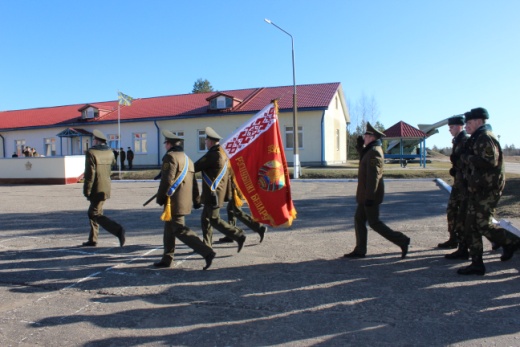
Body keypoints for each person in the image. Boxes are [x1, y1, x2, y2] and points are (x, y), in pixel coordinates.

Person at [457, 107, 520, 275]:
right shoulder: (476, 138)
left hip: (487, 189)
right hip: (477, 188)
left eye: (469, 123)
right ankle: (477, 263)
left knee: (482, 224)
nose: (466, 126)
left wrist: (466, 158)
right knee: (472, 225)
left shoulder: (485, 138)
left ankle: (511, 242)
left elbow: (489, 161)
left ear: (478, 121)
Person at [344, 122, 410, 259]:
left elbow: (374, 177)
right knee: (359, 219)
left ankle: (402, 240)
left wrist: (369, 197)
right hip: (365, 194)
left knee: (374, 223)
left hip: (370, 195)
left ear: (372, 137)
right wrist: (359, 146)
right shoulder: (371, 149)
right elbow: (364, 157)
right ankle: (360, 249)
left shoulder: (374, 152)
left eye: (366, 135)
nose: (364, 137)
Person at [154, 130, 215, 270]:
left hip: (174, 202)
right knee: (169, 229)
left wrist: (160, 198)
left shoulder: (170, 157)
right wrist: (196, 199)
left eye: (166, 144)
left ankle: (207, 252)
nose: (165, 146)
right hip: (184, 201)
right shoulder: (188, 159)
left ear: (169, 144)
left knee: (179, 229)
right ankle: (167, 258)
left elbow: (166, 181)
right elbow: (194, 182)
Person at [194, 127, 246, 252]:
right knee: (205, 219)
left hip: (213, 193)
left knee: (214, 219)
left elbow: (195, 166)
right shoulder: (221, 153)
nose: (205, 143)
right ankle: (207, 244)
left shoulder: (213, 155)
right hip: (215, 193)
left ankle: (238, 235)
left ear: (210, 141)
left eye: (206, 140)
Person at [82, 129, 125, 247]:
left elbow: (90, 174)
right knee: (97, 211)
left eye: (94, 139)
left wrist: (87, 190)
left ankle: (118, 230)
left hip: (96, 187)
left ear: (96, 140)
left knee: (93, 213)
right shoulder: (110, 152)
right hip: (106, 186)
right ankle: (93, 239)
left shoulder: (91, 153)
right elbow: (113, 164)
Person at [439, 115, 469, 251]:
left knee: (463, 215)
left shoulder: (465, 140)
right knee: (451, 211)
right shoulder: (457, 140)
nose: (449, 130)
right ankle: (453, 239)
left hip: (465, 185)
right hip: (458, 183)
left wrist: (459, 167)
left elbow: (468, 162)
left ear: (459, 126)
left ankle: (462, 244)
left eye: (451, 127)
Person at [219, 171, 268, 243]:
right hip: (237, 181)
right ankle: (231, 234)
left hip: (236, 183)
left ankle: (259, 227)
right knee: (231, 209)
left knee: (236, 211)